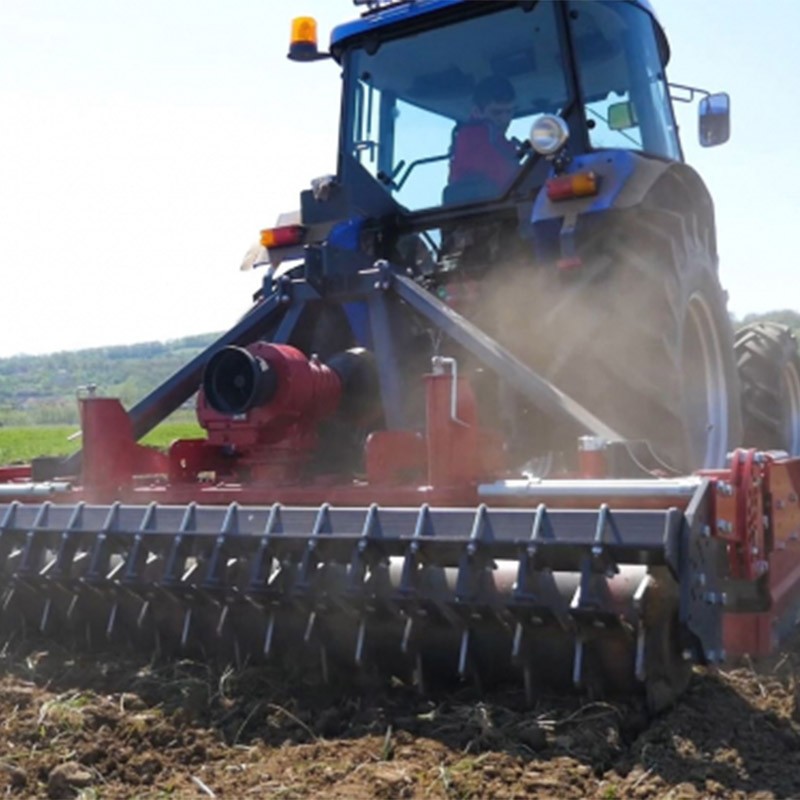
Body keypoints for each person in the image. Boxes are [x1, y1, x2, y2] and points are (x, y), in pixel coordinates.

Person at [448, 75, 521, 195]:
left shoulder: (500, 142)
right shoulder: (472, 141)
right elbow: (507, 184)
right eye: (497, 112)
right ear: (477, 112)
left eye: (510, 111)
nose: (505, 119)